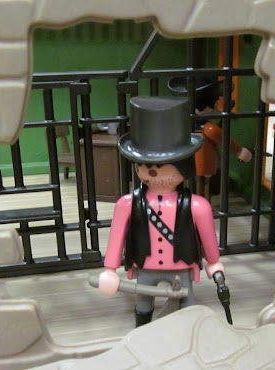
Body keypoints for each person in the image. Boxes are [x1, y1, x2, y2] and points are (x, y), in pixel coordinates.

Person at [98, 96, 224, 327]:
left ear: (183, 167)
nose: (151, 173)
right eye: (144, 165)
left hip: (181, 266)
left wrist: (214, 262)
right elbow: (116, 238)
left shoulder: (197, 206)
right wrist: (110, 269)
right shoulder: (127, 204)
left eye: (159, 167)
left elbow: (208, 239)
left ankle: (187, 334)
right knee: (143, 304)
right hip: (145, 266)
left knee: (187, 304)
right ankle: (142, 332)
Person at [168, 76, 252, 198]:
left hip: (187, 161)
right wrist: (239, 150)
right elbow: (220, 137)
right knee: (203, 184)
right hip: (203, 161)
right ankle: (201, 202)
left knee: (190, 182)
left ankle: (191, 201)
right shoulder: (208, 128)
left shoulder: (183, 125)